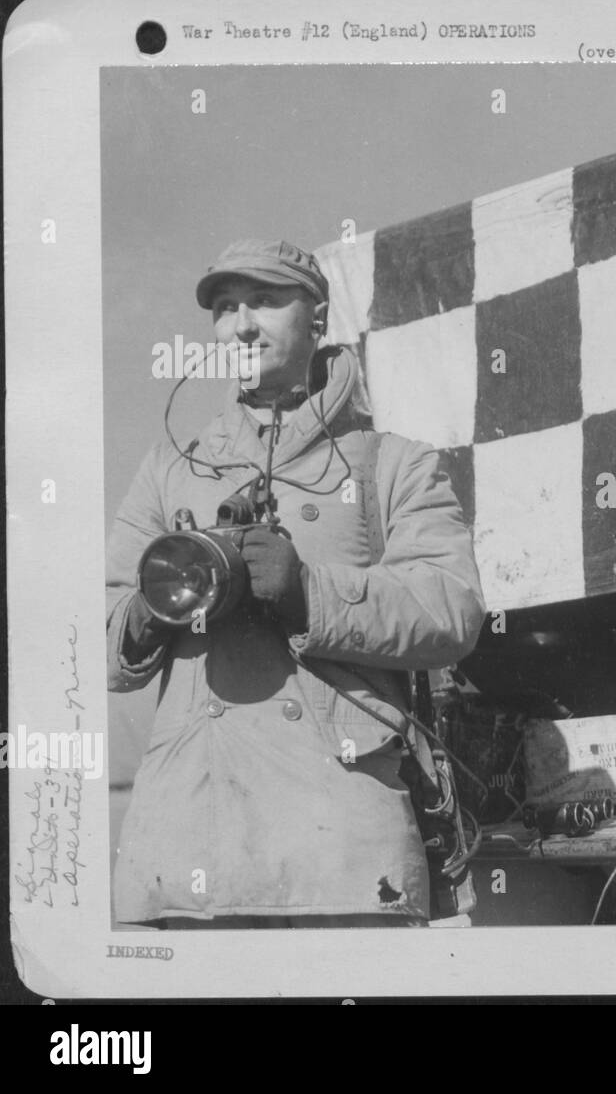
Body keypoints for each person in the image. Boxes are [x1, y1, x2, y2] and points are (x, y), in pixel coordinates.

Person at [106, 239, 486, 928]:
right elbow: (101, 649)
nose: (242, 323)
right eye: (226, 307)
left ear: (318, 319)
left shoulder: (393, 464)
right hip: (187, 847)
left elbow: (452, 609)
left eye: (266, 299)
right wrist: (160, 599)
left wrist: (307, 592)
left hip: (341, 852)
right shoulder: (169, 467)